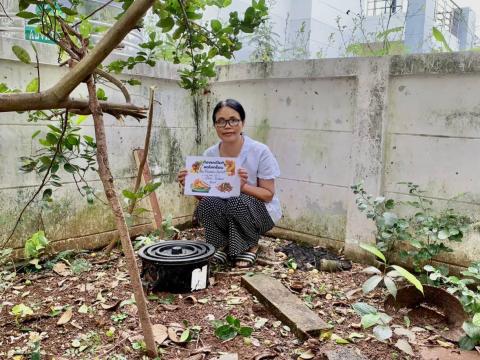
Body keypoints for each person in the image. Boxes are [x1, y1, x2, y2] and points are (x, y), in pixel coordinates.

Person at [177, 99, 282, 268]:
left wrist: (242, 186)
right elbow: (205, 197)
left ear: (243, 123)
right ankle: (224, 244)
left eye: (233, 120)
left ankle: (250, 245)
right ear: (215, 126)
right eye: (221, 121)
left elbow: (268, 195)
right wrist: (190, 183)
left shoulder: (260, 151)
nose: (227, 126)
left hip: (261, 213)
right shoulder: (210, 154)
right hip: (228, 210)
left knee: (236, 199)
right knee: (208, 204)